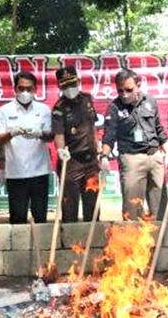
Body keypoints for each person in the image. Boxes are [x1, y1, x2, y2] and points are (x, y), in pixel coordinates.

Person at [101, 69, 168, 220]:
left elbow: (158, 128)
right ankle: (131, 235)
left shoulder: (150, 101)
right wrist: (104, 156)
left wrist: (167, 151)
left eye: (129, 90)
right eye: (120, 91)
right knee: (132, 208)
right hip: (132, 159)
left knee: (160, 207)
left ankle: (160, 234)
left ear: (138, 85)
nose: (124, 94)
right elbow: (109, 136)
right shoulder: (114, 108)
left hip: (154, 157)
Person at [0, 71, 53, 224]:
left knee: (40, 217)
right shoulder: (4, 110)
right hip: (15, 172)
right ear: (15, 89)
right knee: (17, 218)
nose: (25, 92)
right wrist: (11, 133)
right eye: (21, 88)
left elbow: (51, 136)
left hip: (40, 171)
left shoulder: (44, 109)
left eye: (29, 89)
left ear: (35, 89)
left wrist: (39, 133)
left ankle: (39, 241)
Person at [52, 66, 100, 222]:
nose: (69, 88)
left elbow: (92, 125)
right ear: (59, 86)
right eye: (65, 85)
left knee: (92, 206)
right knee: (69, 206)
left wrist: (98, 147)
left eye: (72, 84)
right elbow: (58, 133)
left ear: (78, 81)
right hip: (71, 162)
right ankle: (69, 236)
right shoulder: (59, 108)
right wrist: (60, 150)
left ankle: (92, 235)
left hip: (90, 162)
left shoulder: (87, 99)